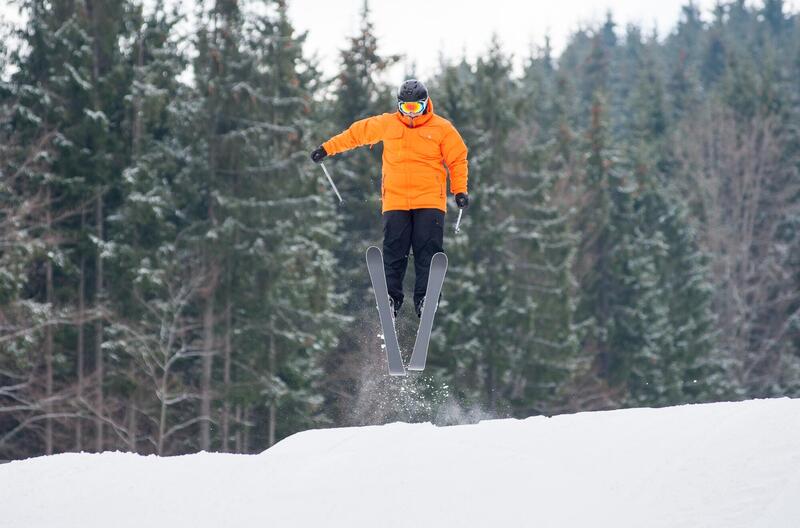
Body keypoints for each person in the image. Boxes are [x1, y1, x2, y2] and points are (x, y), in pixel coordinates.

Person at [311, 79, 469, 318]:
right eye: (406, 108)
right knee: (394, 250)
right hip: (396, 200)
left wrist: (459, 191)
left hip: (429, 200)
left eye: (415, 108)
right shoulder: (388, 123)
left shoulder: (442, 128)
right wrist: (326, 148)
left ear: (426, 105)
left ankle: (426, 297)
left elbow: (457, 159)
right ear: (399, 106)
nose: (411, 114)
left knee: (427, 249)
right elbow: (356, 134)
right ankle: (391, 298)